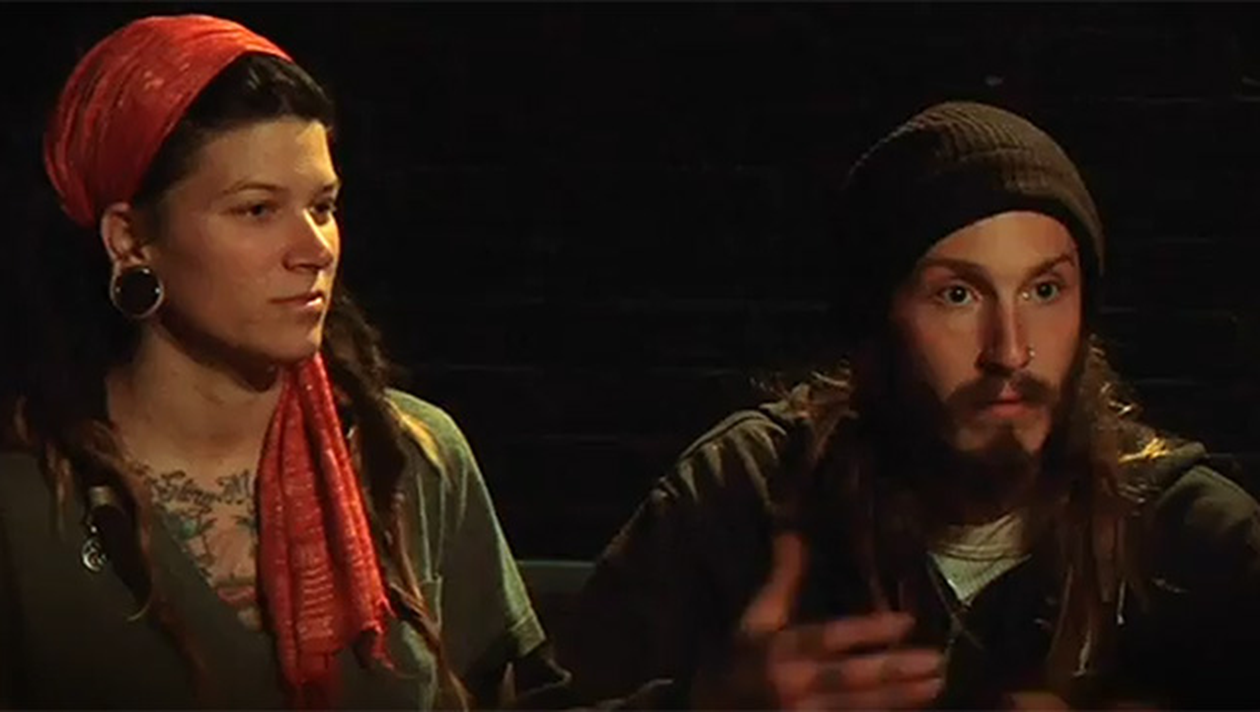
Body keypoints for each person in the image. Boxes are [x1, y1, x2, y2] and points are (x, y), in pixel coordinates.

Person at [564, 101, 1260, 709]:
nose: (1011, 351)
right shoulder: (744, 497)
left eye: (1044, 290)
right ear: (874, 331)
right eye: (957, 295)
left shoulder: (1191, 539)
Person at [0, 13, 568, 709]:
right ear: (130, 240)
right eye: (257, 210)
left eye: (323, 207)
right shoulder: (30, 501)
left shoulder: (408, 459)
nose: (314, 249)